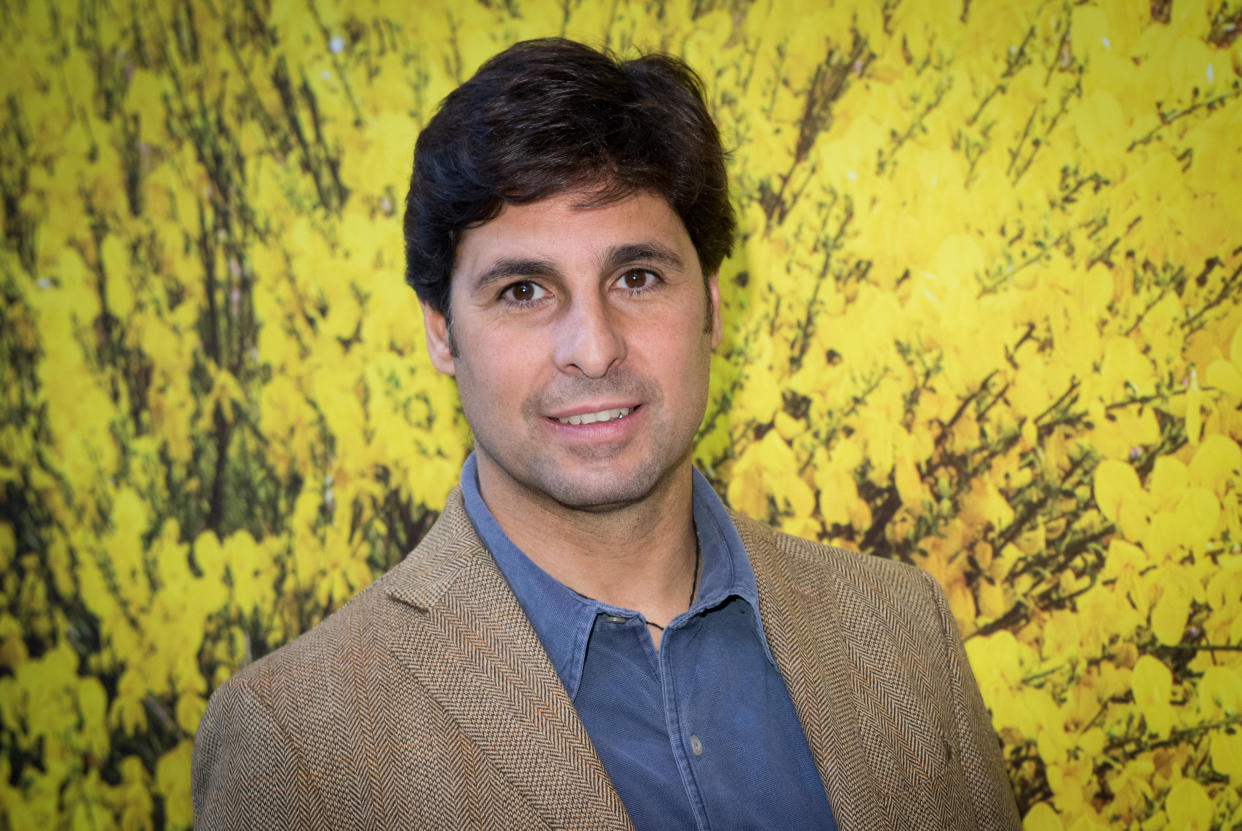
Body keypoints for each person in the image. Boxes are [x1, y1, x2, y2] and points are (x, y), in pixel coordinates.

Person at [191, 38, 1020, 830]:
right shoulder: (297, 738)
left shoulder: (902, 628)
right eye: (523, 290)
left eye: (636, 276)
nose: (594, 347)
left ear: (714, 306)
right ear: (442, 332)